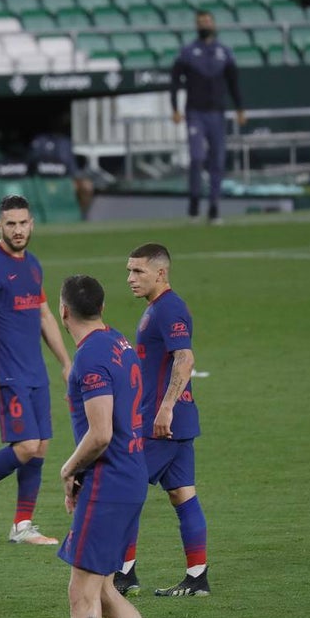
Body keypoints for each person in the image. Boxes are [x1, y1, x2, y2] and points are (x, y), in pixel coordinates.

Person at [23, 274, 192, 618]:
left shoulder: (90, 359)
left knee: (81, 594)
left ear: (62, 313)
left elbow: (100, 433)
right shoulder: (117, 341)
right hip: (128, 477)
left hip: (109, 483)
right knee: (102, 590)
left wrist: (67, 468)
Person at [0, 194, 71, 547]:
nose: (18, 230)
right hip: (7, 372)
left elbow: (45, 315)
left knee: (41, 447)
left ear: (32, 224)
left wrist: (67, 363)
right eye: (11, 224)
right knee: (25, 446)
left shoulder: (33, 265)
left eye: (23, 223)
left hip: (35, 371)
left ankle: (22, 525)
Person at [115, 244, 209, 598]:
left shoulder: (169, 308)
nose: (130, 278)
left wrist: (165, 408)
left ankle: (124, 574)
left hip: (162, 423)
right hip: (174, 421)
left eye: (138, 271)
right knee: (183, 495)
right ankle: (197, 577)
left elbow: (184, 358)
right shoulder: (155, 309)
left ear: (161, 273)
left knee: (124, 489)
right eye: (129, 270)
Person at [170, 10, 246, 225]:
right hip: (195, 112)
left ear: (213, 24)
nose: (205, 24)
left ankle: (214, 206)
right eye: (201, 22)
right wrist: (174, 107)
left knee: (218, 161)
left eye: (207, 21)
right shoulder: (187, 52)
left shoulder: (224, 52)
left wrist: (240, 109)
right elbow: (175, 81)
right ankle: (194, 199)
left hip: (217, 112)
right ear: (196, 25)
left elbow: (233, 83)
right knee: (196, 157)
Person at [27, 128, 95, 219]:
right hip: (41, 182)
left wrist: (73, 181)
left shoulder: (66, 142)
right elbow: (31, 165)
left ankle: (81, 216)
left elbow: (73, 170)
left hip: (64, 181)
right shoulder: (39, 140)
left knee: (87, 185)